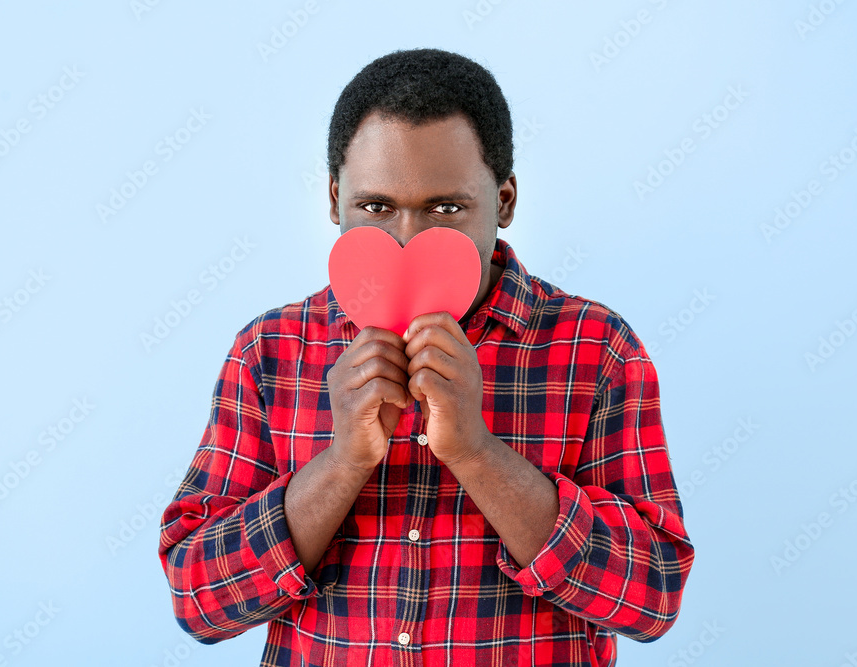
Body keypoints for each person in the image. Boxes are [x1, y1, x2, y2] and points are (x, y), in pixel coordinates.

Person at [157, 47, 694, 666]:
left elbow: (652, 600)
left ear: (506, 201)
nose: (408, 239)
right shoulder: (269, 350)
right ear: (335, 201)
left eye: (446, 208)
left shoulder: (596, 348)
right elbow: (197, 600)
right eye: (376, 207)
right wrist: (339, 465)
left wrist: (477, 452)